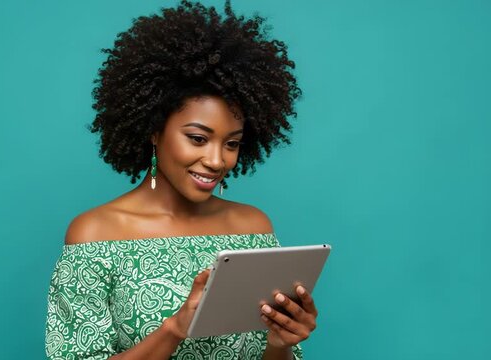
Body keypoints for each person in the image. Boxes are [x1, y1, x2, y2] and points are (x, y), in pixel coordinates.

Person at [44, 1, 318, 358]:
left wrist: (281, 344)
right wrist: (174, 330)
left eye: (232, 144)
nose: (217, 160)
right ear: (155, 130)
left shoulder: (253, 228)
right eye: (198, 139)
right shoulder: (95, 234)